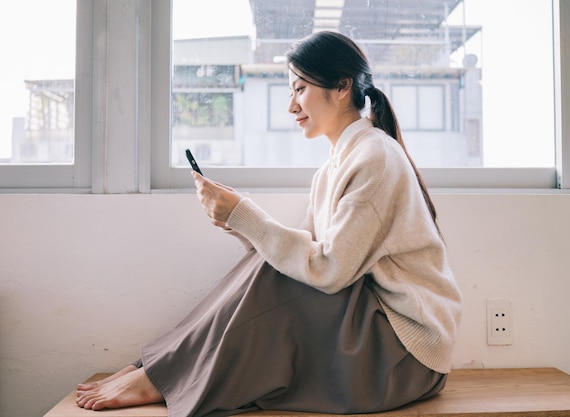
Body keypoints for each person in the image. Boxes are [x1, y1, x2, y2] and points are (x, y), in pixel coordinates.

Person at [75, 30, 463, 417]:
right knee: (270, 261)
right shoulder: (336, 165)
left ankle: (161, 375)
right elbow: (304, 255)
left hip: (405, 356)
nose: (291, 106)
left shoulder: (375, 157)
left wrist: (246, 216)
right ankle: (157, 369)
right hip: (378, 335)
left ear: (343, 86)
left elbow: (328, 270)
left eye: (300, 89)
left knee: (274, 267)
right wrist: (238, 221)